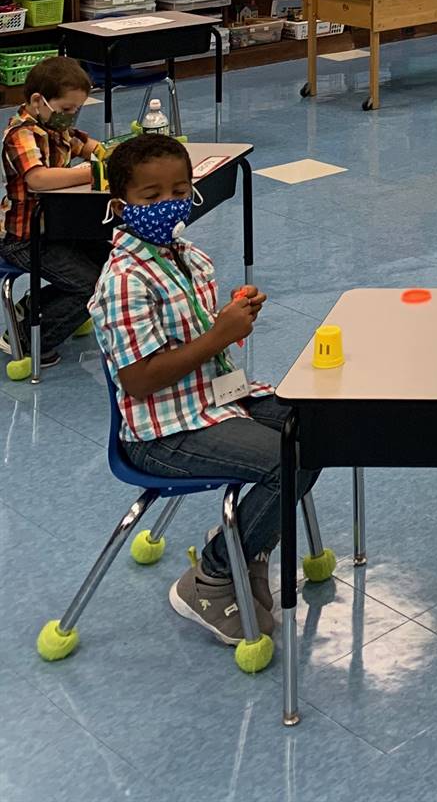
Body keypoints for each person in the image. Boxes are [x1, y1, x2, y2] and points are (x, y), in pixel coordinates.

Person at [89, 132, 320, 646]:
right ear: (119, 206)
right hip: (162, 431)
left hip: (216, 399)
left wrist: (232, 315)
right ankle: (214, 574)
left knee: (322, 426)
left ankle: (246, 546)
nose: (168, 204)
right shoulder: (124, 279)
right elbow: (139, 379)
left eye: (179, 190)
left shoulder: (187, 255)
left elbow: (197, 336)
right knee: (292, 456)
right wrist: (219, 334)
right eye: (150, 197)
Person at [1, 55, 104, 369]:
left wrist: (109, 154)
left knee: (110, 260)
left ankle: (32, 309)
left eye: (76, 110)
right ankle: (28, 337)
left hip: (57, 227)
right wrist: (90, 172)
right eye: (65, 110)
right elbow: (38, 179)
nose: (70, 117)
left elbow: (87, 145)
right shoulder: (21, 135)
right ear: (38, 100)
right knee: (91, 284)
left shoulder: (54, 127)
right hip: (23, 236)